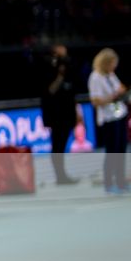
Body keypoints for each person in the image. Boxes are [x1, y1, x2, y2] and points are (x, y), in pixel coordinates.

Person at [89, 48, 131, 194]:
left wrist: (126, 90)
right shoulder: (95, 77)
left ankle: (121, 181)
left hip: (119, 114)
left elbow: (120, 89)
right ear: (105, 63)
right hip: (108, 118)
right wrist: (112, 97)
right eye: (111, 64)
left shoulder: (110, 75)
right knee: (112, 151)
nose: (113, 67)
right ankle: (109, 183)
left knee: (121, 149)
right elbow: (95, 100)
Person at [40, 44, 79, 186]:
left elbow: (72, 91)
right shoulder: (48, 68)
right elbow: (49, 91)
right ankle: (60, 176)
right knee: (57, 145)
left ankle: (62, 175)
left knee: (61, 145)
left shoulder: (69, 67)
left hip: (67, 112)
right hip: (55, 114)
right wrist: (60, 76)